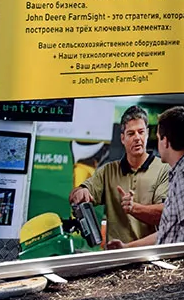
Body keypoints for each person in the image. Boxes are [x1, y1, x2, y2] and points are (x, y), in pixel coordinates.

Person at [68, 105, 170, 245]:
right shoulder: (108, 171)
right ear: (122, 138)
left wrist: (134, 208)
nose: (137, 138)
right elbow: (78, 193)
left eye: (141, 132)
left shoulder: (164, 170)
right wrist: (80, 192)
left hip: (149, 255)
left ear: (147, 134)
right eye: (131, 134)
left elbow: (165, 215)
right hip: (115, 254)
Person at [107, 106, 184, 248]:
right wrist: (127, 247)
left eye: (158, 138)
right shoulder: (181, 170)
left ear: (165, 141)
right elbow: (166, 232)